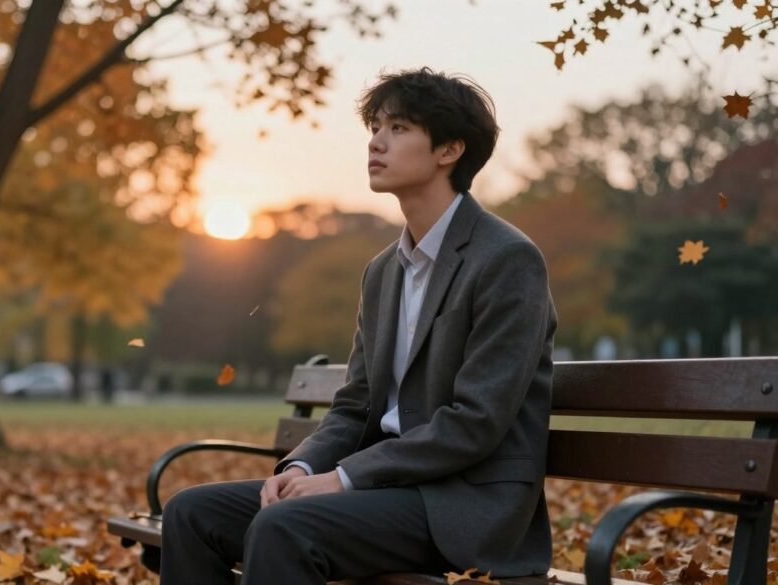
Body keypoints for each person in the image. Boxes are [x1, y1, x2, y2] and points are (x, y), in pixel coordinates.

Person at [160, 67, 558, 585]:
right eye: (375, 127)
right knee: (191, 513)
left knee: (285, 528)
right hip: (385, 492)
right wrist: (303, 468)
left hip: (465, 504)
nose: (376, 141)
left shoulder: (506, 260)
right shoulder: (383, 271)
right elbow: (356, 403)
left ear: (450, 150)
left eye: (397, 128)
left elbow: (475, 422)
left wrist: (345, 479)